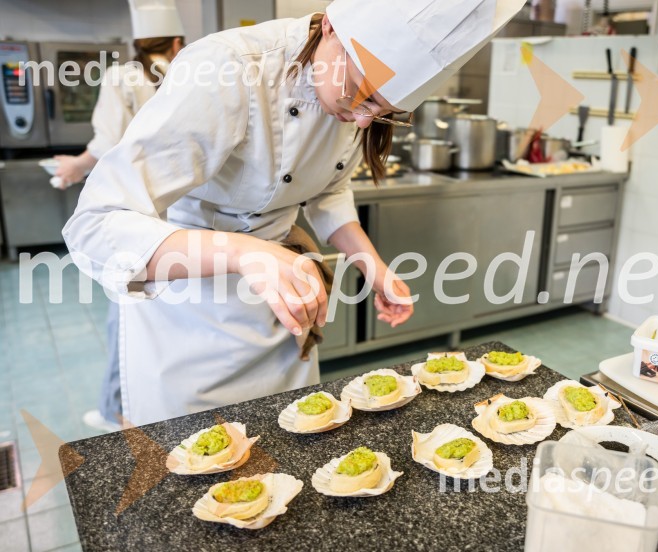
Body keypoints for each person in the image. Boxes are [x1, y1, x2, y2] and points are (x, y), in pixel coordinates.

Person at [63, 0, 525, 426]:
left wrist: (372, 267)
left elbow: (330, 190)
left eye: (385, 112)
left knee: (293, 441)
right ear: (331, 28)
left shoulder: (347, 101)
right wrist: (246, 253)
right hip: (189, 311)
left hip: (281, 308)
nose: (363, 119)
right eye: (361, 94)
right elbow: (94, 226)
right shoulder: (228, 68)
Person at [55, 0, 185, 432]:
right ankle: (153, 406)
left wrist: (75, 166)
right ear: (177, 42)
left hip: (134, 220)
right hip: (183, 219)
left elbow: (107, 142)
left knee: (126, 314)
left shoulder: (122, 77)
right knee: (165, 314)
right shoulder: (190, 74)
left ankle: (117, 411)